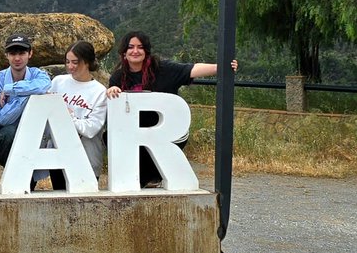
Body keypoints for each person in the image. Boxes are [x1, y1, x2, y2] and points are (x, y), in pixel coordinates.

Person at [105, 31, 238, 187]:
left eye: (140, 47)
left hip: (167, 133)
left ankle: (153, 175)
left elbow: (192, 69)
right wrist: (112, 90)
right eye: (130, 47)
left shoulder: (163, 69)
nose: (135, 51)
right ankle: (149, 176)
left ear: (147, 51)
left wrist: (221, 67)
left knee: (145, 178)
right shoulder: (118, 77)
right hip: (137, 134)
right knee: (110, 137)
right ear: (124, 52)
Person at [0, 34, 52, 188]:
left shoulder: (37, 74)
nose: (17, 58)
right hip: (3, 141)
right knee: (10, 132)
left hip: (33, 138)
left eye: (21, 53)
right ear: (6, 55)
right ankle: (21, 180)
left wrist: (11, 89)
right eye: (13, 53)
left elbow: (44, 84)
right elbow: (2, 118)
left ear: (30, 54)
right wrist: (28, 95)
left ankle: (24, 184)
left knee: (25, 184)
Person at [48, 40, 108, 179]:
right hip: (58, 155)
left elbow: (91, 129)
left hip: (87, 158)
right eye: (67, 62)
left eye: (75, 62)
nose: (70, 66)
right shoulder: (58, 82)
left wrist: (68, 116)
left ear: (87, 62)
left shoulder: (99, 91)